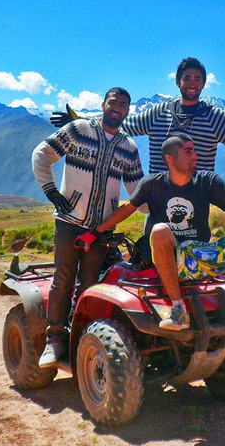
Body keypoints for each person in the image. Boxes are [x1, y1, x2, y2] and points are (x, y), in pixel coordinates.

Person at [75, 133, 225, 331]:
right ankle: (178, 309)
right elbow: (127, 209)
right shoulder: (152, 184)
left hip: (203, 254)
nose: (195, 156)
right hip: (170, 258)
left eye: (195, 151)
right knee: (160, 230)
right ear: (170, 158)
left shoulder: (207, 181)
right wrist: (96, 232)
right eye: (188, 151)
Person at [52, 57, 225, 174]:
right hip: (158, 195)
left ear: (204, 84)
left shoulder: (214, 117)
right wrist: (80, 122)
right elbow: (121, 124)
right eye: (187, 78)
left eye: (197, 78)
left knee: (192, 266)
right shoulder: (159, 112)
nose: (192, 82)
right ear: (178, 82)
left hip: (197, 195)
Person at [32, 87, 143, 366]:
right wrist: (51, 192)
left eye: (123, 105)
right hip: (69, 224)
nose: (118, 107)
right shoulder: (79, 129)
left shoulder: (128, 147)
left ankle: (83, 340)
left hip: (101, 230)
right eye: (113, 102)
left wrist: (162, 201)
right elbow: (41, 154)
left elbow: (138, 191)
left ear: (128, 111)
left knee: (91, 285)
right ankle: (54, 341)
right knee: (63, 280)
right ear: (103, 104)